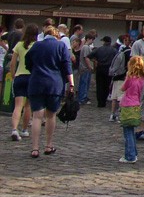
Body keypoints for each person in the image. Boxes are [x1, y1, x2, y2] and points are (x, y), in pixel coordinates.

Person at [25, 25, 74, 158]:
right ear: (57, 36)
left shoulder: (36, 45)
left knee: (37, 116)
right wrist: (71, 84)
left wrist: (35, 71)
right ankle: (48, 145)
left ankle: (35, 148)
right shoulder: (61, 46)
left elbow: (27, 62)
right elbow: (67, 66)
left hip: (36, 83)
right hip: (54, 84)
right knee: (51, 116)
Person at [9, 23, 37, 141]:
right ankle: (24, 130)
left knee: (18, 106)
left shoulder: (19, 45)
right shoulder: (36, 46)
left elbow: (12, 63)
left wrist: (13, 75)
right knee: (28, 106)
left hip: (20, 76)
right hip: (32, 77)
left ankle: (14, 129)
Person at [119, 55, 144, 164]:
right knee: (131, 131)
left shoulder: (130, 77)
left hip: (127, 104)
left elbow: (123, 88)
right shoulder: (142, 78)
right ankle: (133, 153)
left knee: (127, 132)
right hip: (136, 104)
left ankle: (130, 156)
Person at [109, 34, 132, 122]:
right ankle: (120, 115)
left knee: (114, 97)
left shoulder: (120, 50)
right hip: (123, 77)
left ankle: (112, 115)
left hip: (116, 76)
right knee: (121, 97)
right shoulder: (128, 52)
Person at [89, 36, 117, 108]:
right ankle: (104, 101)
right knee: (107, 86)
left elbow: (89, 56)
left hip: (100, 68)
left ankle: (100, 102)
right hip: (108, 69)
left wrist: (95, 61)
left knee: (99, 86)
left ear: (104, 41)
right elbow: (117, 58)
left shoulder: (99, 49)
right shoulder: (113, 50)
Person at [77, 32, 96, 104]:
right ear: (88, 39)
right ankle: (82, 98)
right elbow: (86, 58)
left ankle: (83, 97)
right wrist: (90, 66)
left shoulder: (86, 47)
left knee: (85, 83)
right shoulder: (86, 47)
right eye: (92, 40)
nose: (92, 41)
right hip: (85, 68)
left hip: (85, 68)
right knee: (84, 84)